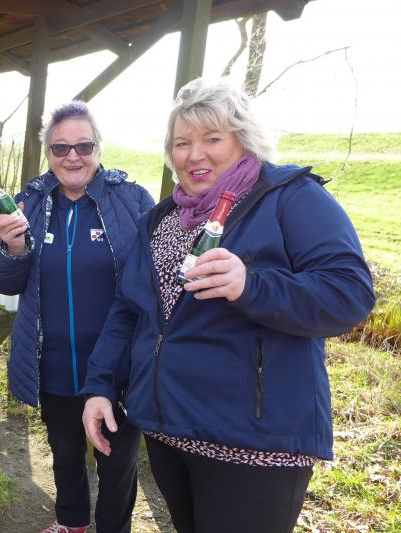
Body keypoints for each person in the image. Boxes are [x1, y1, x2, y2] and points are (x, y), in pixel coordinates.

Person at [81, 78, 375, 533]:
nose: (194, 155)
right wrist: (100, 385)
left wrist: (251, 285)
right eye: (182, 143)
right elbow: (128, 311)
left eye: (212, 139)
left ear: (243, 140)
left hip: (253, 443)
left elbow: (350, 293)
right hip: (169, 430)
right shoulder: (161, 219)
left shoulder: (289, 196)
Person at [0, 101, 154, 533]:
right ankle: (71, 522)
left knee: (117, 463)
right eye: (60, 148)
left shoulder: (132, 200)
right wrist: (13, 248)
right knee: (64, 451)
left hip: (117, 366)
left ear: (99, 149)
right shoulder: (28, 202)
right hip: (53, 363)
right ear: (48, 154)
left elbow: (150, 282)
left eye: (83, 146)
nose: (72, 157)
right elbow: (5, 283)